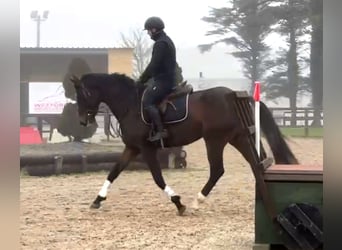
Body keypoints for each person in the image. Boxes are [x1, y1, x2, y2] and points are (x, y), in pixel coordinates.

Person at [138, 16, 177, 142]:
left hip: (163, 81)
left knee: (148, 101)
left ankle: (161, 131)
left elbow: (153, 65)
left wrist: (141, 80)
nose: (148, 33)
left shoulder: (160, 44)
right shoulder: (167, 40)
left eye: (149, 31)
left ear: (154, 30)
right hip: (168, 79)